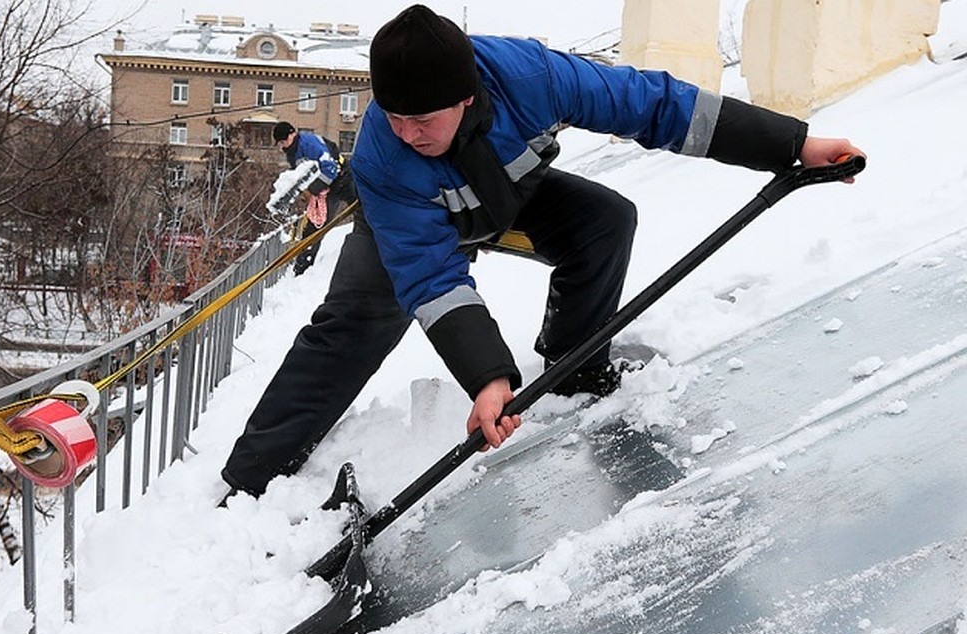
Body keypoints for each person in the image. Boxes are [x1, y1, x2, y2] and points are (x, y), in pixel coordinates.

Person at [221, 4, 863, 499]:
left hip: (506, 200)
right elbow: (432, 276)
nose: (408, 133)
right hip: (414, 224)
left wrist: (792, 146)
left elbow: (659, 105)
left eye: (424, 120)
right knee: (355, 322)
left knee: (604, 222)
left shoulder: (533, 77)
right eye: (395, 117)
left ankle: (575, 369)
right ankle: (251, 479)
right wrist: (489, 376)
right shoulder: (385, 157)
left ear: (467, 94)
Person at [271, 121, 356, 275]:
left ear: (293, 134)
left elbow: (330, 169)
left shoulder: (309, 144)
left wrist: (312, 190)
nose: (282, 146)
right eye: (280, 143)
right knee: (315, 228)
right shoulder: (293, 151)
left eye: (284, 141)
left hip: (343, 179)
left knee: (362, 210)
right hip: (326, 189)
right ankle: (302, 272)